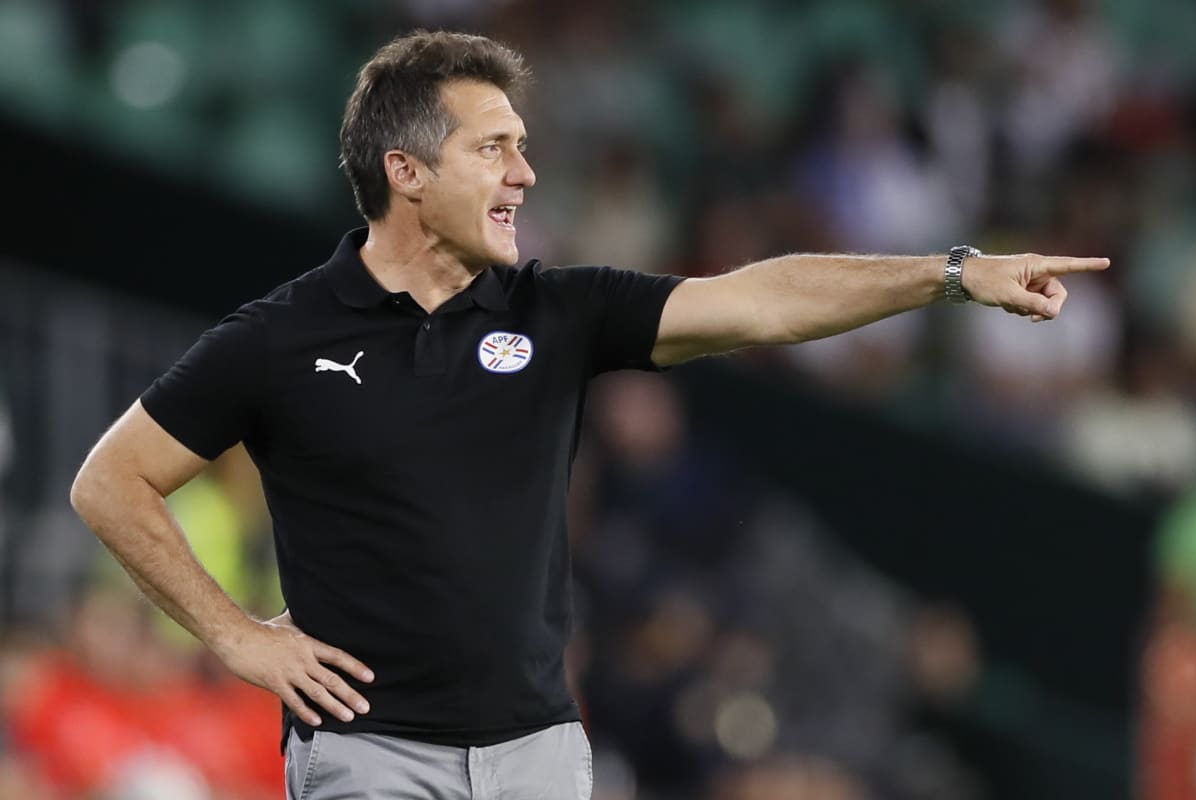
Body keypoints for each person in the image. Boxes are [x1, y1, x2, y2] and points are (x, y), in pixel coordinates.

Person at [69, 30, 1109, 800]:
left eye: (523, 147)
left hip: (539, 757)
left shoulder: (559, 312)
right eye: (494, 149)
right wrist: (237, 637)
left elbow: (763, 299)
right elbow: (110, 480)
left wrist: (951, 273)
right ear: (406, 171)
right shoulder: (280, 335)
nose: (524, 173)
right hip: (370, 757)